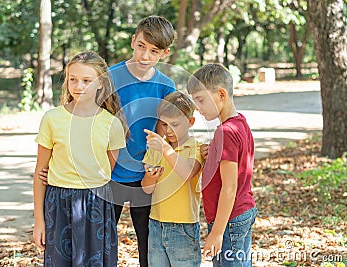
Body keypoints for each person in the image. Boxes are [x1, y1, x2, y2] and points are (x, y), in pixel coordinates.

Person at [38, 16, 176, 266]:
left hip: (144, 175)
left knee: (147, 244)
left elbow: (165, 130)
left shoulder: (166, 86)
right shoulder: (108, 77)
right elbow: (86, 117)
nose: (145, 55)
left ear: (164, 53)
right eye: (141, 46)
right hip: (106, 176)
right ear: (133, 41)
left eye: (154, 51)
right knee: (98, 243)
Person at [33, 51, 127, 266]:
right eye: (72, 79)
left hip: (97, 204)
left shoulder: (111, 124)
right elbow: (40, 173)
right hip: (58, 203)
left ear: (101, 83)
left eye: (87, 80)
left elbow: (106, 170)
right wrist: (39, 221)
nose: (78, 86)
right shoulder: (52, 119)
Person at [186, 63, 257, 266]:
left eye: (200, 100)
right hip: (241, 211)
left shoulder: (225, 132)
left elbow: (230, 186)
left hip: (228, 220)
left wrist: (217, 233)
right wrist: (213, 153)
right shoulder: (239, 123)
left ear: (221, 94)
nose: (197, 108)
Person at [140, 91, 203, 266]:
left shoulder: (196, 148)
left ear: (190, 122)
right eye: (164, 124)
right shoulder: (157, 147)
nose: (169, 130)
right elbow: (147, 189)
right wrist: (150, 176)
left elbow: (187, 174)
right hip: (156, 223)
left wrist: (165, 150)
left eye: (175, 124)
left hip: (184, 226)